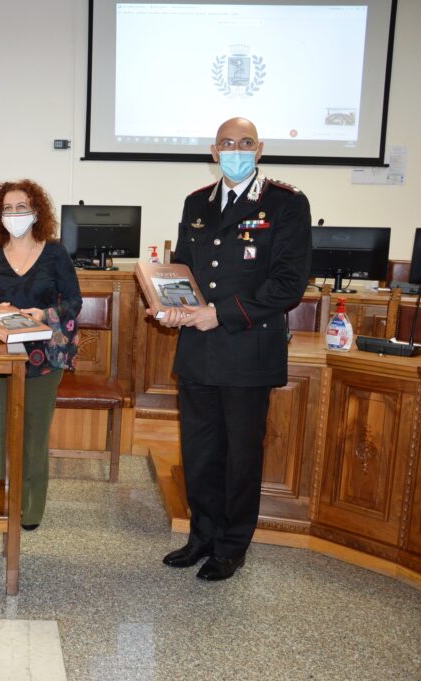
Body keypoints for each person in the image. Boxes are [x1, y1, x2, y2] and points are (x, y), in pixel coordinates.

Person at [152, 117, 311, 581]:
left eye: (245, 142)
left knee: (241, 455)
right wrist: (172, 307)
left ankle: (231, 546)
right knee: (200, 451)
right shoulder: (196, 203)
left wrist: (219, 314)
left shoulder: (286, 204)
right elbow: (184, 269)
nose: (236, 149)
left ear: (259, 149)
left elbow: (288, 285)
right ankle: (201, 536)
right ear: (213, 150)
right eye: (227, 143)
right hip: (198, 350)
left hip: (248, 350)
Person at [0, 180, 82, 531]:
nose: (15, 214)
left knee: (35, 433)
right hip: (0, 357)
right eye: (8, 208)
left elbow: (73, 303)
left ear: (36, 212)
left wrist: (44, 314)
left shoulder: (55, 253)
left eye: (22, 207)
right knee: (2, 431)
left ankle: (32, 508)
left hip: (44, 359)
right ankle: (3, 501)